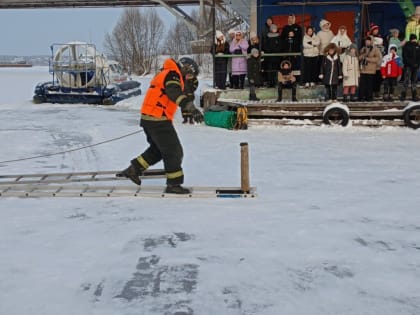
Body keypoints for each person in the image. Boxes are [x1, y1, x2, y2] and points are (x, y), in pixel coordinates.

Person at [116, 57, 203, 194]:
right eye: (189, 75)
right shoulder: (173, 74)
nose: (189, 78)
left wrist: (189, 105)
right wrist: (191, 108)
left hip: (150, 117)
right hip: (158, 118)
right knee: (174, 151)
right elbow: (174, 92)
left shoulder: (168, 72)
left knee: (158, 150)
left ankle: (134, 169)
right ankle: (174, 184)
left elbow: (180, 93)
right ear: (185, 68)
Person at [358, 36, 382, 101]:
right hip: (363, 70)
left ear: (371, 41)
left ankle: (369, 97)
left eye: (368, 41)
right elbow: (359, 57)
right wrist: (362, 55)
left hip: (371, 70)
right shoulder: (363, 48)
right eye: (366, 41)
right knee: (362, 84)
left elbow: (378, 58)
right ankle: (361, 97)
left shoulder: (375, 49)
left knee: (369, 85)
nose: (367, 42)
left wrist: (368, 59)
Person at [281, 14, 303, 79]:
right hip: (287, 50)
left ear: (294, 19)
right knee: (286, 64)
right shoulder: (285, 28)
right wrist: (287, 37)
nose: (290, 20)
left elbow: (300, 39)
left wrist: (294, 35)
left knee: (295, 65)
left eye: (291, 18)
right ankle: (286, 78)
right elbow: (282, 38)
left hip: (295, 50)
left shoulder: (298, 27)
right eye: (289, 18)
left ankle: (296, 79)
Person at [401, 34, 420, 101]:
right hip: (408, 66)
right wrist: (412, 63)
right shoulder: (407, 46)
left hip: (415, 66)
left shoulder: (418, 46)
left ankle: (414, 95)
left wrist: (417, 64)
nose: (415, 40)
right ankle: (403, 95)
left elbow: (419, 56)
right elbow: (405, 56)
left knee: (414, 81)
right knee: (406, 80)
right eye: (414, 39)